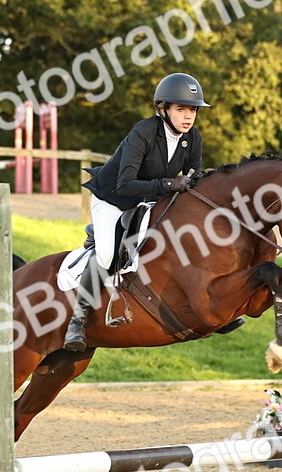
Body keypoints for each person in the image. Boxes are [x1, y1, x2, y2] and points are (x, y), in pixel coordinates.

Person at [65, 73, 209, 352]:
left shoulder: (192, 138)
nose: (188, 116)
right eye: (181, 109)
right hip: (114, 199)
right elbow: (126, 184)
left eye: (192, 110)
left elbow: (194, 176)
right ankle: (78, 320)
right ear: (163, 109)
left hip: (150, 200)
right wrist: (169, 184)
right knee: (107, 255)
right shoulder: (143, 132)